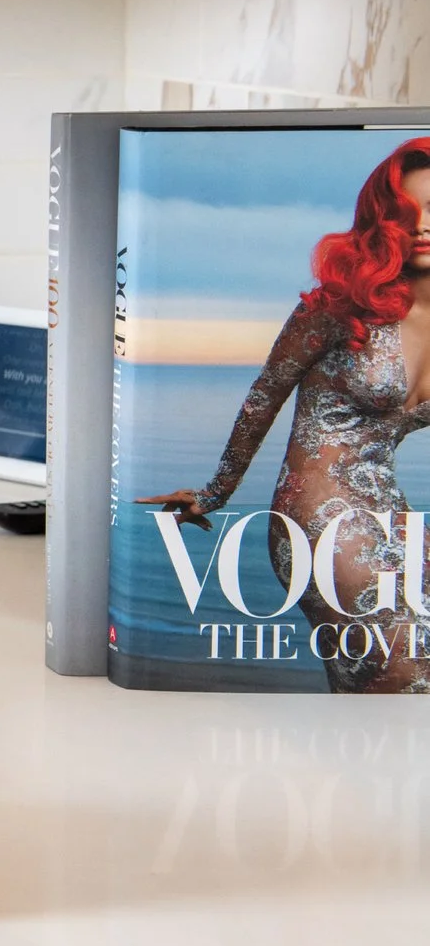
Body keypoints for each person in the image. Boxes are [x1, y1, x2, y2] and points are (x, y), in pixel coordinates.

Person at [139, 135, 430, 692]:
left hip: (390, 509)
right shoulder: (339, 307)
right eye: (405, 213)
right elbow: (263, 397)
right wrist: (215, 492)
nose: (419, 227)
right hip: (316, 512)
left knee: (398, 670)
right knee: (399, 671)